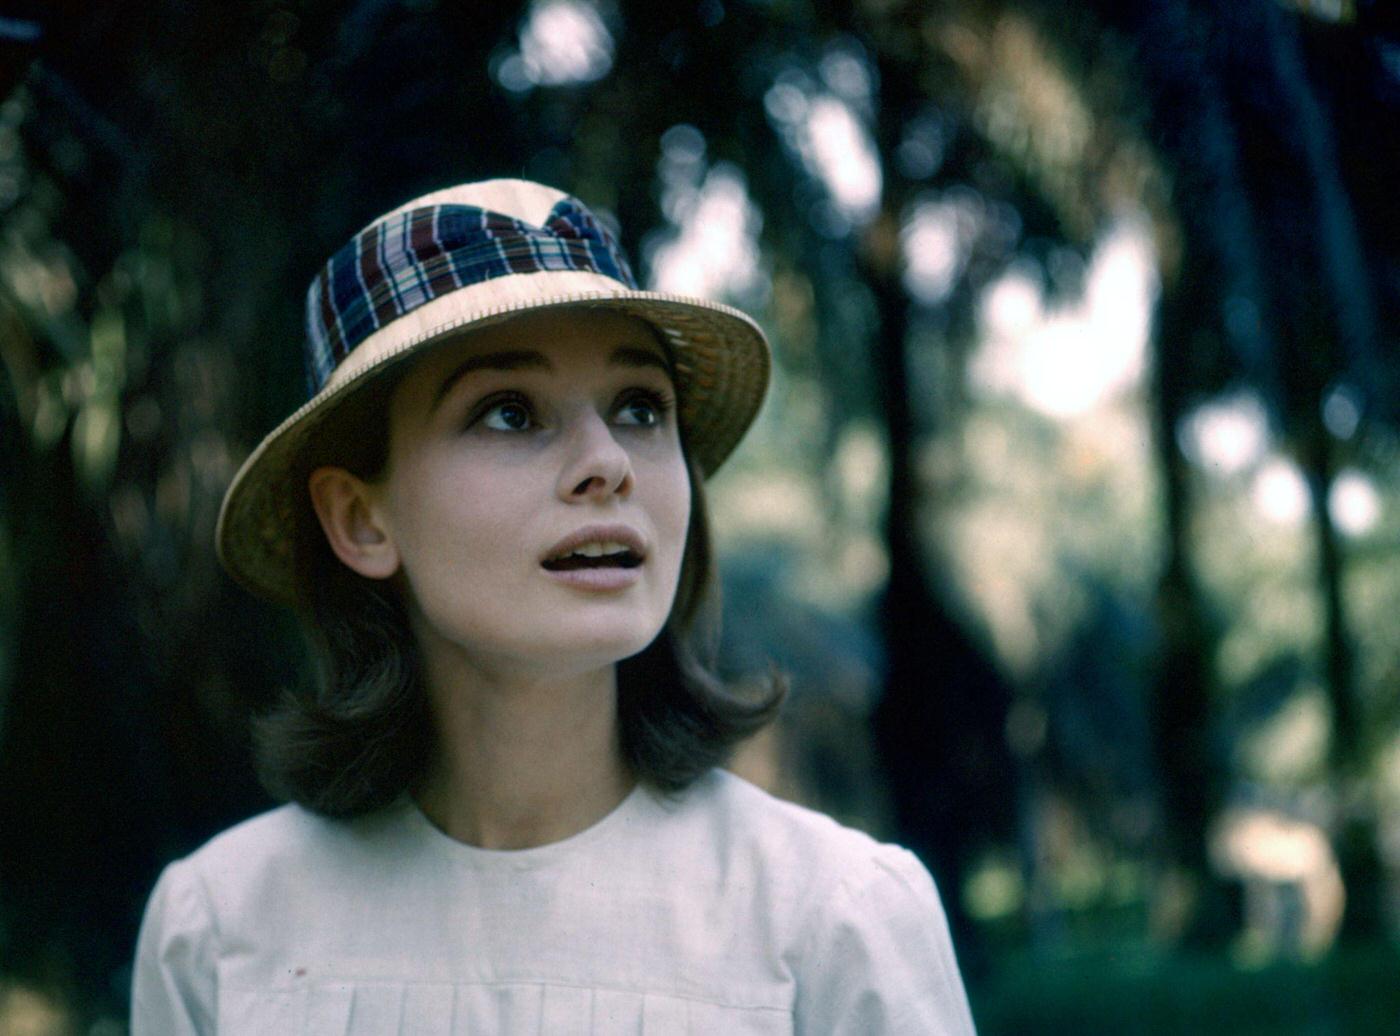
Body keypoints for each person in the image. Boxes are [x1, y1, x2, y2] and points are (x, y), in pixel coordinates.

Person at [130, 178, 976, 1034]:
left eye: (641, 406)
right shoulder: (217, 933)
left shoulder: (833, 922)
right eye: (508, 412)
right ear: (361, 517)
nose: (607, 462)